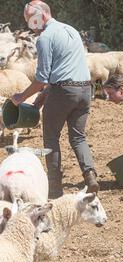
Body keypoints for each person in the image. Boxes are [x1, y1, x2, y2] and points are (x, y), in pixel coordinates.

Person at [11, 1, 99, 198]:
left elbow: (41, 78)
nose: (30, 25)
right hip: (85, 90)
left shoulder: (45, 38)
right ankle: (90, 174)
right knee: (78, 137)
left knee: (51, 138)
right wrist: (43, 96)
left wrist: (20, 97)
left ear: (41, 16)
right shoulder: (71, 30)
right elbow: (64, 69)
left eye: (30, 20)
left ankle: (55, 187)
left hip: (63, 92)